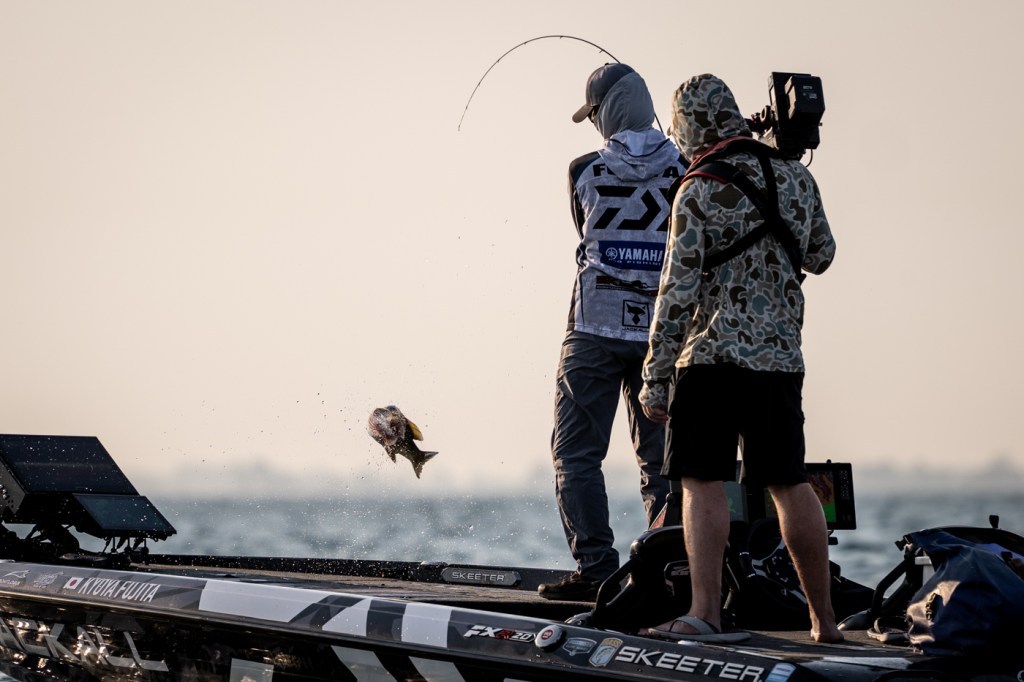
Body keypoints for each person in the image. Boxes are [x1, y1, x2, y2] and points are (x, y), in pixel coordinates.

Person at [639, 73, 843, 643]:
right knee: (790, 483)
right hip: (780, 360)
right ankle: (824, 622)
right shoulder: (796, 177)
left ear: (686, 129)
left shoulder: (698, 186)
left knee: (703, 481)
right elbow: (822, 255)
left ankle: (705, 613)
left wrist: (655, 377)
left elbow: (676, 291)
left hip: (710, 359)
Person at [538, 63, 688, 602]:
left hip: (593, 328)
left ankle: (595, 570)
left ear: (605, 113)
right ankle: (672, 574)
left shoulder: (582, 169)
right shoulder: (689, 168)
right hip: (664, 334)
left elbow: (584, 229)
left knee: (576, 455)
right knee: (665, 462)